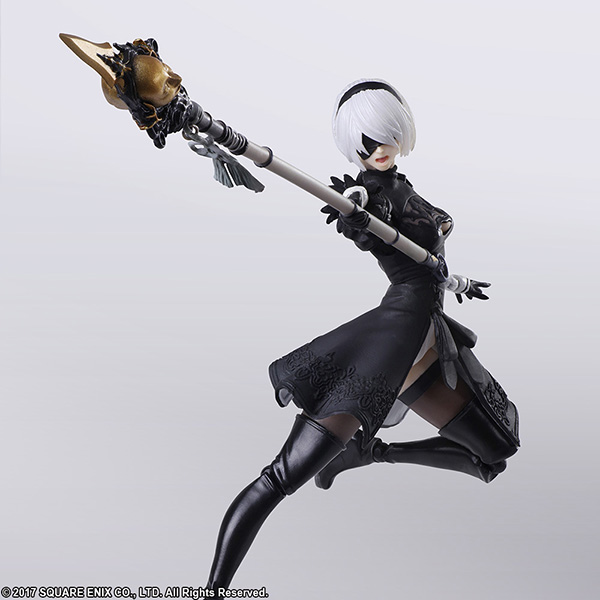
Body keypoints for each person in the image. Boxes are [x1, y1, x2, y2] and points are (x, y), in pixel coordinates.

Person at [205, 79, 519, 596]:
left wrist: (458, 282)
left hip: (430, 335)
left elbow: (429, 263)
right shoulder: (367, 195)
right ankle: (213, 589)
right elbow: (364, 217)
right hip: (394, 339)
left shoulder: (401, 184)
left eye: (386, 136)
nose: (380, 149)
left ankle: (369, 453)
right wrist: (355, 211)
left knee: (495, 453)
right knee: (281, 477)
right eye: (368, 143)